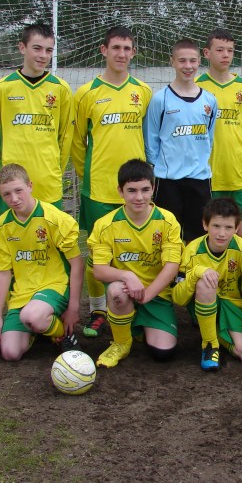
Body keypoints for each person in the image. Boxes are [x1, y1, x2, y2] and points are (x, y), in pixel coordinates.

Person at [72, 26, 153, 339]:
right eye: (116, 48)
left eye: (127, 48)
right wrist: (86, 173)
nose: (122, 54)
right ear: (103, 50)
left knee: (137, 248)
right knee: (97, 252)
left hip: (135, 190)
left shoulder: (143, 92)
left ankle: (136, 303)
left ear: (133, 53)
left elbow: (148, 137)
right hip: (100, 188)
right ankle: (97, 309)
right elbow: (78, 142)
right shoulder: (86, 93)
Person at [87, 159, 183, 368]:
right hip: (125, 291)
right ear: (120, 191)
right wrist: (127, 276)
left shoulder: (167, 221)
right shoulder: (105, 225)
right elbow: (99, 271)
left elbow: (172, 266)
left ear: (153, 188)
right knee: (116, 291)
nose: (139, 197)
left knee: (163, 353)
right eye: (131, 190)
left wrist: (148, 295)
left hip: (155, 294)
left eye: (145, 190)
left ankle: (137, 325)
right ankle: (121, 343)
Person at [0, 164, 83, 361]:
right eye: (6, 194)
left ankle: (61, 334)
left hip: (54, 287)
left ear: (30, 186)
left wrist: (73, 307)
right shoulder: (2, 226)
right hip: (22, 295)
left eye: (18, 191)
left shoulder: (54, 218)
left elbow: (77, 264)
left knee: (31, 316)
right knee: (10, 353)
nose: (14, 199)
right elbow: (3, 272)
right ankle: (37, 329)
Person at [0, 23, 74, 211]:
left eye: (49, 50)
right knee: (14, 238)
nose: (43, 55)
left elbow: (65, 137)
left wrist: (55, 170)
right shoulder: (3, 88)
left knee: (50, 238)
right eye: (37, 48)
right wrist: (0, 176)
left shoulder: (61, 89)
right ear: (22, 47)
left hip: (47, 182)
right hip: (12, 185)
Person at [173, 198, 242, 372]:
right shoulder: (192, 251)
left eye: (228, 227)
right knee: (205, 283)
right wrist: (196, 273)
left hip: (233, 307)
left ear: (237, 228)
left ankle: (215, 333)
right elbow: (178, 298)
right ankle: (210, 345)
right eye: (216, 226)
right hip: (204, 303)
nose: (222, 233)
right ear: (205, 224)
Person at [144, 38, 217, 242]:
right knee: (168, 236)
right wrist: (163, 166)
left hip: (200, 180)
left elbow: (208, 138)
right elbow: (151, 141)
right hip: (168, 181)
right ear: (172, 62)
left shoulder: (209, 100)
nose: (188, 66)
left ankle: (193, 273)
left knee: (199, 236)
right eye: (182, 61)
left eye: (192, 61)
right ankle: (171, 274)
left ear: (199, 61)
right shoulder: (160, 99)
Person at [197, 28, 242, 238]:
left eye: (230, 50)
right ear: (207, 53)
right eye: (220, 50)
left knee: (240, 235)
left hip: (238, 171)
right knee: (209, 233)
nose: (225, 55)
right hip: (208, 173)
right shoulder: (197, 87)